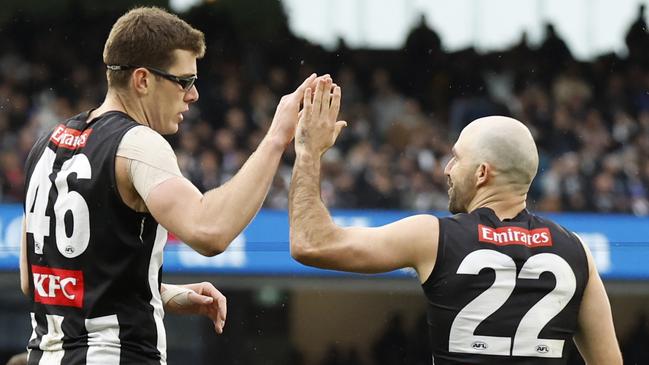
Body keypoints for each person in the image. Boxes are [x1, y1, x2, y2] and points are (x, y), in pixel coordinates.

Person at [20, 7, 318, 364]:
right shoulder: (138, 143)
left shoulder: (47, 143)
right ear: (143, 80)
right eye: (184, 81)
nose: (192, 95)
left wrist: (160, 294)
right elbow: (211, 231)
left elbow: (35, 281)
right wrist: (276, 138)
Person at [289, 78, 622, 364]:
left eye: (457, 158)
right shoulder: (576, 252)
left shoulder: (433, 236)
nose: (447, 168)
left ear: (481, 173)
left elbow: (311, 244)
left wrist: (307, 151)